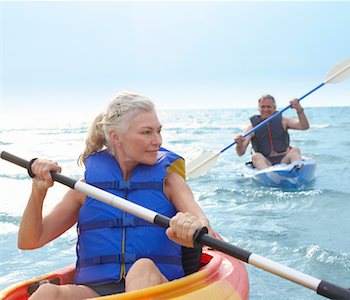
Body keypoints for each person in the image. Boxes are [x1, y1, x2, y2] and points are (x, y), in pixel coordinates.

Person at [18, 91, 213, 299]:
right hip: (96, 291)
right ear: (115, 137)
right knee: (47, 293)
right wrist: (38, 191)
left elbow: (205, 227)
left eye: (158, 131)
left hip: (159, 288)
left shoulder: (169, 182)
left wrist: (189, 227)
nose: (158, 140)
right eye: (147, 132)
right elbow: (29, 241)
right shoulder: (86, 190)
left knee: (142, 268)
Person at [234, 94, 310, 170]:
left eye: (269, 107)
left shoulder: (284, 121)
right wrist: (239, 144)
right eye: (263, 107)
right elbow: (240, 153)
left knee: (295, 150)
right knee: (256, 157)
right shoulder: (252, 127)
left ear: (274, 108)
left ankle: (297, 170)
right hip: (266, 161)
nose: (266, 110)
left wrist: (299, 109)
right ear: (259, 108)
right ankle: (269, 173)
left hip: (284, 159)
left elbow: (304, 126)